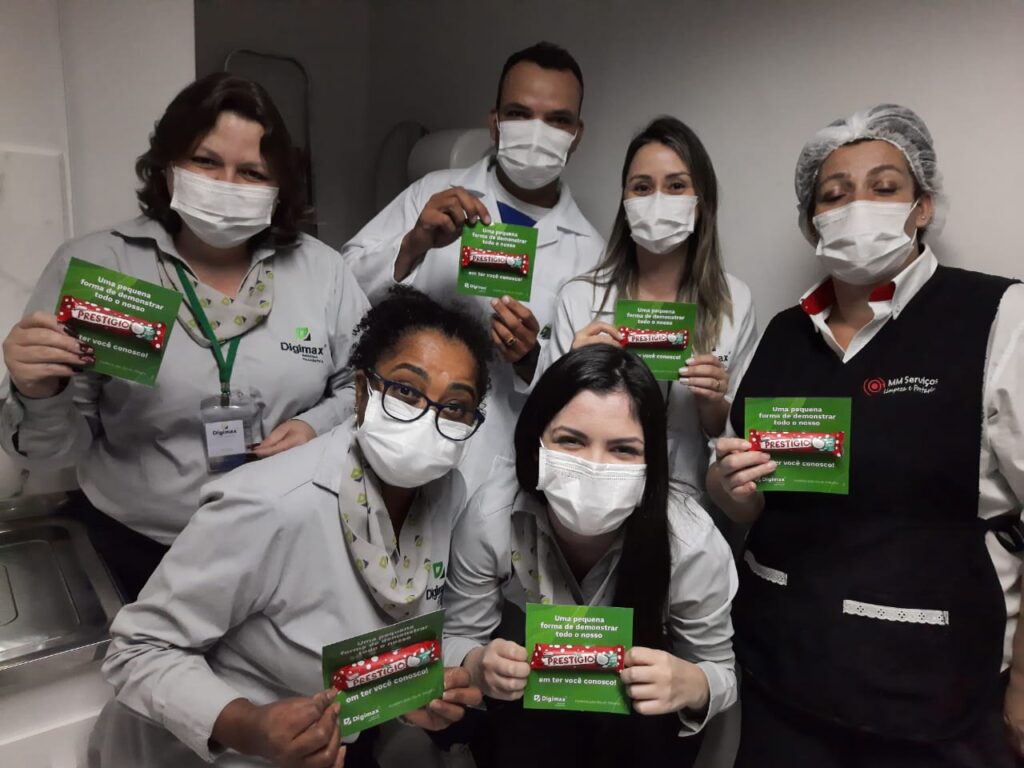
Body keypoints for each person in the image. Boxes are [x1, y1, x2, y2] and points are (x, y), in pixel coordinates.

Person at [708, 104, 1024, 767]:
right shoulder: (783, 333)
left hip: (935, 691)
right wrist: (731, 490)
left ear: (922, 206)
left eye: (884, 188)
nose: (858, 207)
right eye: (835, 194)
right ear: (811, 222)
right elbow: (747, 496)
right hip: (784, 679)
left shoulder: (999, 316)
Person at [0, 73, 369, 600]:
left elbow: (364, 387)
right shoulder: (104, 269)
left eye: (251, 172)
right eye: (205, 161)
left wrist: (315, 426)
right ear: (168, 166)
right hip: (135, 549)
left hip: (282, 540)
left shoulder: (322, 272)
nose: (226, 184)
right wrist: (38, 394)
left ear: (278, 187)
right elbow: (53, 452)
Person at [89, 287, 490, 768]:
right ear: (361, 391)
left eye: (455, 406)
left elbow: (383, 630)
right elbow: (137, 650)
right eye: (406, 390)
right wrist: (248, 725)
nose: (428, 418)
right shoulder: (270, 504)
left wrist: (414, 695)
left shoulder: (446, 493)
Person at [444, 344, 737, 768]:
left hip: (640, 727)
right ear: (535, 446)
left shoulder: (691, 542)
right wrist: (476, 665)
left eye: (623, 449)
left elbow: (721, 671)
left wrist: (694, 684)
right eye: (571, 441)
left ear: (651, 462)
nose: (594, 467)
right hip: (531, 716)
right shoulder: (493, 516)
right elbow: (456, 636)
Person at [342, 41, 604, 492]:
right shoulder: (432, 193)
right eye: (519, 113)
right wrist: (412, 246)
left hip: (494, 465)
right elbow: (340, 293)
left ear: (577, 134)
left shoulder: (592, 255)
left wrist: (530, 360)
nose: (537, 132)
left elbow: (586, 395)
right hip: (397, 432)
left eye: (557, 120)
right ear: (494, 121)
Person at [537, 116, 757, 494]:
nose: (658, 200)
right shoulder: (581, 297)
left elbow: (737, 442)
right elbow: (543, 423)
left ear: (701, 202)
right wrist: (574, 371)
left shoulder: (733, 300)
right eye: (642, 187)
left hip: (689, 499)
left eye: (676, 186)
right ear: (624, 203)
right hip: (592, 493)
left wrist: (713, 403)